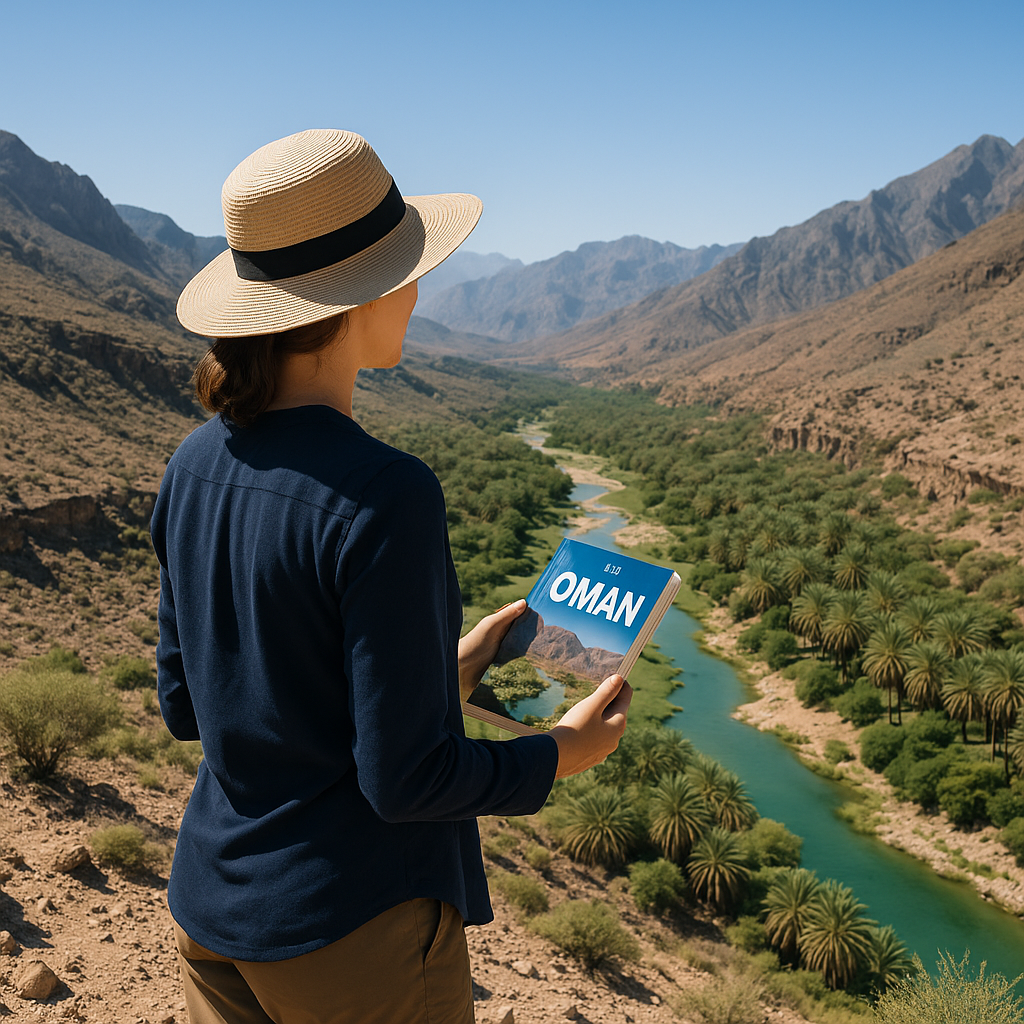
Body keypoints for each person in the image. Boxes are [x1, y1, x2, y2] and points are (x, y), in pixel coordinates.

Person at [152, 129, 632, 1024]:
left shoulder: (192, 465)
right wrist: (564, 753)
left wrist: (435, 669)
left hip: (213, 910)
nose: (418, 289)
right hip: (351, 930)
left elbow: (195, 704)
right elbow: (404, 783)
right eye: (408, 267)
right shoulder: (387, 493)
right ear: (360, 296)